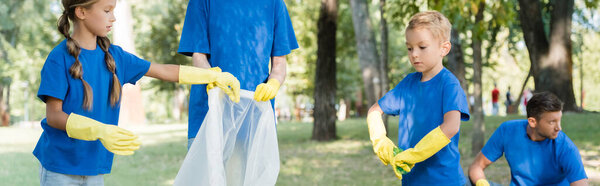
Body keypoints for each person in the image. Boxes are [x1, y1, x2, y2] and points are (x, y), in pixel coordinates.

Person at [35, 0, 240, 185]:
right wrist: (99, 130)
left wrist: (211, 77)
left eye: (113, 10)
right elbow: (54, 116)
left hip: (94, 167)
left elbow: (163, 70)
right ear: (81, 12)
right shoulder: (58, 58)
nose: (113, 17)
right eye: (107, 10)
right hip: (59, 167)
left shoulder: (115, 57)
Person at [366, 11, 470, 185]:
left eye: (422, 47)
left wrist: (415, 154)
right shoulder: (407, 84)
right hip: (411, 179)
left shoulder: (449, 84)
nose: (414, 54)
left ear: (444, 48)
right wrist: (382, 144)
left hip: (444, 180)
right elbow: (374, 111)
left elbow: (451, 126)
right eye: (409, 48)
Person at [178, 0, 298, 148]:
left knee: (252, 170)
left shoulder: (274, 3)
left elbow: (279, 64)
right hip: (210, 109)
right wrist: (214, 78)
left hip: (255, 111)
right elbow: (199, 57)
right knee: (206, 170)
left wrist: (273, 84)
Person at [469, 92, 588, 186]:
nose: (559, 128)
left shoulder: (565, 147)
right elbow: (476, 167)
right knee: (464, 183)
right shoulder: (507, 131)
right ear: (532, 122)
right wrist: (482, 184)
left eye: (559, 120)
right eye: (552, 122)